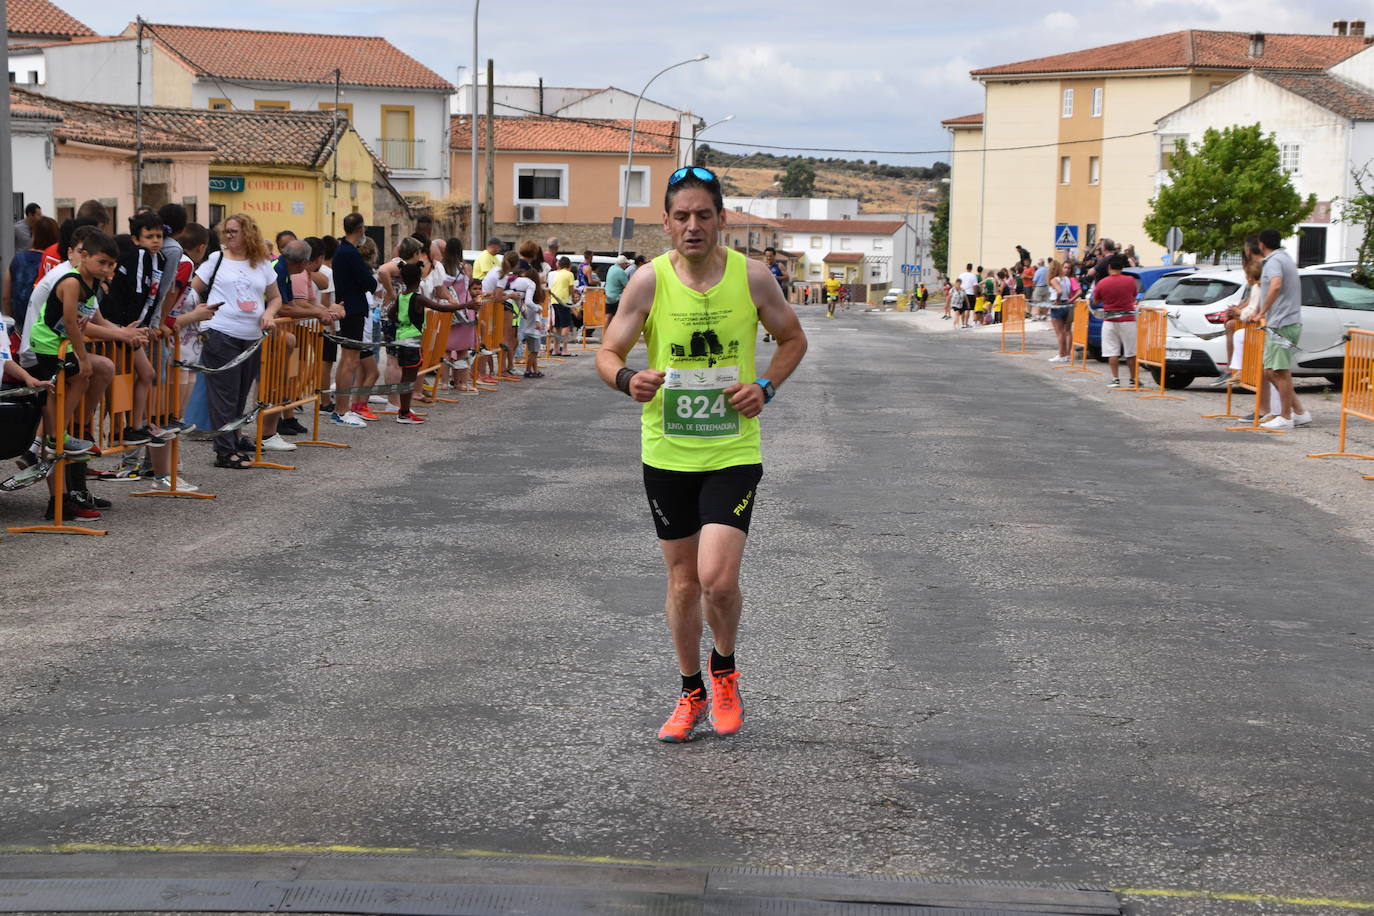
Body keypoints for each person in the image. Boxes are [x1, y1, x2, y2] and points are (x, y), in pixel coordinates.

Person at [595, 165, 808, 743]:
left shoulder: (754, 277)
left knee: (716, 580)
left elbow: (794, 339)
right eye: (682, 216)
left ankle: (724, 670)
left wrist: (764, 387)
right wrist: (627, 380)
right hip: (666, 450)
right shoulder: (647, 282)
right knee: (683, 583)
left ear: (720, 220)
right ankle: (690, 689)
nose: (693, 225)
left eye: (704, 215)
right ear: (665, 223)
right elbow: (609, 352)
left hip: (731, 449)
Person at [191, 213, 282, 469]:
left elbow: (275, 297)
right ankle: (224, 450)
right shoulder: (217, 259)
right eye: (227, 231)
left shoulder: (262, 263)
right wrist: (196, 314)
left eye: (234, 231)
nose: (229, 235)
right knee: (224, 394)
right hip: (220, 333)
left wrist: (268, 313)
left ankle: (233, 441)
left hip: (251, 337)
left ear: (248, 233)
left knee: (241, 393)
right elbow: (193, 288)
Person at [386, 260, 470, 423]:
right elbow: (442, 308)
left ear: (403, 280)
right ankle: (404, 413)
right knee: (410, 377)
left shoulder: (401, 297)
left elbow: (391, 314)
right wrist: (466, 305)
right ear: (419, 280)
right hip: (413, 341)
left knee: (406, 376)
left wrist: (403, 321)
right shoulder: (418, 299)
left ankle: (404, 410)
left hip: (401, 338)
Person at [1253, 229, 1311, 430]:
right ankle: (1300, 413)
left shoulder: (1274, 261)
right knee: (1270, 371)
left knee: (1279, 372)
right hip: (1281, 322)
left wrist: (1262, 312)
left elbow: (1275, 285)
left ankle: (1286, 417)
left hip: (1282, 323)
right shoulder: (1284, 258)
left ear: (1261, 245)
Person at [328, 213, 379, 428]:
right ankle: (341, 409)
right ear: (360, 229)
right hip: (353, 310)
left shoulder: (342, 250)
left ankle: (342, 408)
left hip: (347, 308)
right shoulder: (350, 253)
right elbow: (369, 282)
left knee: (347, 361)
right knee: (350, 361)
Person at [4, 216, 58, 330]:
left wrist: (12, 320)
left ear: (34, 234)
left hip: (20, 321)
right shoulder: (53, 262)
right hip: (44, 325)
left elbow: (6, 296)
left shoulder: (17, 259)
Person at [1093, 253, 1138, 388]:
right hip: (1128, 319)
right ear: (1122, 267)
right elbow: (1133, 295)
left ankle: (1115, 379)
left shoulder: (1103, 282)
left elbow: (1096, 301)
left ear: (1109, 267)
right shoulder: (1130, 280)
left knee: (1112, 351)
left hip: (1110, 319)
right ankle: (1133, 380)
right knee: (1131, 351)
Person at [547, 255, 578, 357]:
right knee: (566, 325)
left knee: (558, 326)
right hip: (563, 301)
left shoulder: (557, 274)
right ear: (569, 265)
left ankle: (556, 348)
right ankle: (564, 349)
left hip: (554, 300)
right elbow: (571, 290)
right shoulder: (569, 274)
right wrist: (573, 298)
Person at [1048, 260, 1074, 363]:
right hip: (1066, 305)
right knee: (1065, 331)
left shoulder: (1054, 280)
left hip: (1058, 306)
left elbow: (1059, 291)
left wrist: (1057, 299)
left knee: (1059, 333)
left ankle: (1061, 354)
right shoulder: (1067, 279)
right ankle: (1066, 354)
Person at [761, 247, 788, 342]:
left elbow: (787, 277)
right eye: (767, 256)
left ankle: (774, 332)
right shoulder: (763, 267)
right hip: (765, 294)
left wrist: (776, 277)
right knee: (766, 315)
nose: (769, 258)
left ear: (774, 256)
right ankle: (767, 334)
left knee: (776, 315)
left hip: (777, 293)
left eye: (770, 256)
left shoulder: (779, 266)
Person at [605, 254, 630, 327]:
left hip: (607, 296)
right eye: (626, 264)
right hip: (615, 297)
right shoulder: (620, 272)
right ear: (622, 264)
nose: (626, 265)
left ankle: (605, 332)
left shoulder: (611, 268)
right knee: (618, 316)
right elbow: (627, 286)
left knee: (608, 315)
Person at [956, 263, 978, 329]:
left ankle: (962, 324)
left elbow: (957, 284)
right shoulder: (973, 276)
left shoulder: (961, 275)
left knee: (962, 309)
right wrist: (975, 294)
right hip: (970, 293)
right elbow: (975, 286)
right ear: (971, 268)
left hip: (962, 293)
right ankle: (966, 323)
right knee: (968, 309)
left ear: (966, 267)